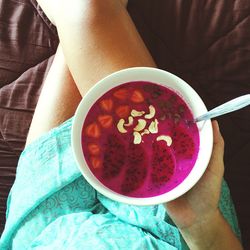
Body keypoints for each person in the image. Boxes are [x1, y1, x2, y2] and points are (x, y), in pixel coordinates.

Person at [0, 0, 243, 249]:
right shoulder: (193, 218)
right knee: (87, 14)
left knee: (82, 17)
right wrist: (200, 222)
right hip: (182, 225)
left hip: (47, 234)